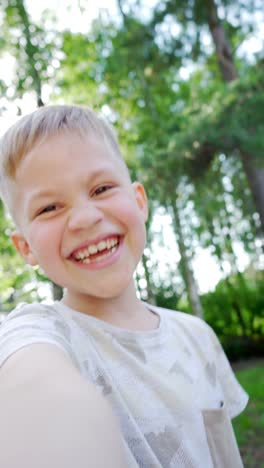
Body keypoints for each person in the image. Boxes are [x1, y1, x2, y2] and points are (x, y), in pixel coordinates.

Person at [0, 105, 248, 468]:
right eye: (50, 207)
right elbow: (34, 389)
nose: (85, 218)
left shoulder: (197, 336)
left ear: (139, 201)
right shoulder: (39, 332)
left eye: (101, 188)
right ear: (25, 248)